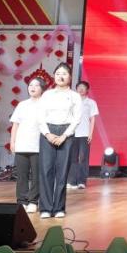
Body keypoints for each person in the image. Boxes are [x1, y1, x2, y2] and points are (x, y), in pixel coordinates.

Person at [37, 63, 82, 219]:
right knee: (46, 170)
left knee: (62, 172)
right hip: (47, 132)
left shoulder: (75, 96)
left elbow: (77, 119)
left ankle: (59, 208)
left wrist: (65, 135)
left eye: (64, 74)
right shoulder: (47, 95)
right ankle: (45, 208)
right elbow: (40, 116)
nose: (60, 76)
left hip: (66, 133)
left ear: (70, 77)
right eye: (57, 73)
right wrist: (47, 134)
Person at [10, 78, 44, 213]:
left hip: (38, 145)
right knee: (21, 175)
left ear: (42, 88)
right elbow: (15, 124)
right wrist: (12, 142)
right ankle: (22, 201)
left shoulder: (46, 104)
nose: (32, 87)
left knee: (37, 176)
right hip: (22, 144)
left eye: (36, 85)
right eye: (30, 85)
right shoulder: (22, 104)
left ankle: (33, 201)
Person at [67, 80, 99, 190]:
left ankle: (81, 181)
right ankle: (71, 181)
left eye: (83, 87)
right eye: (79, 87)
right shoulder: (72, 102)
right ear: (76, 89)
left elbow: (92, 119)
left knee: (83, 158)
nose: (81, 89)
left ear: (87, 90)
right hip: (72, 133)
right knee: (73, 158)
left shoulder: (91, 103)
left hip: (85, 133)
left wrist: (91, 133)